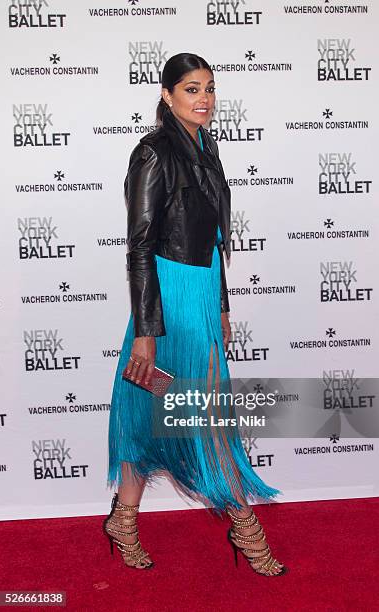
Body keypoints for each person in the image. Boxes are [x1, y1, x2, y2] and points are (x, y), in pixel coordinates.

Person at [103, 53, 286, 577]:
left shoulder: (207, 147)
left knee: (152, 407)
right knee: (200, 414)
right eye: (190, 89)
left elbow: (215, 239)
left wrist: (222, 304)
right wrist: (145, 333)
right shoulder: (153, 153)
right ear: (166, 96)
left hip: (201, 291)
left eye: (209, 88)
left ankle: (124, 518)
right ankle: (245, 526)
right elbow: (139, 247)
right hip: (168, 300)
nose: (203, 99)